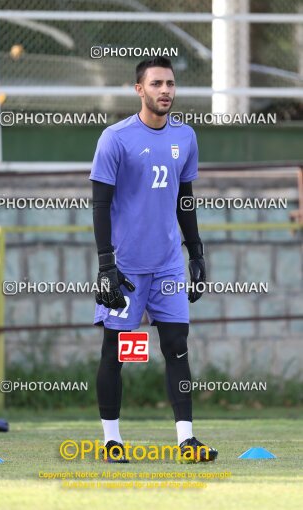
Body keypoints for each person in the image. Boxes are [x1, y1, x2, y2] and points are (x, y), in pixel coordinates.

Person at [90, 56, 218, 463]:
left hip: (167, 264)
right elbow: (99, 203)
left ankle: (186, 440)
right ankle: (112, 440)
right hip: (126, 268)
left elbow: (185, 200)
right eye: (157, 84)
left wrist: (195, 251)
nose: (166, 90)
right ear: (139, 90)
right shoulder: (116, 138)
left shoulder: (186, 136)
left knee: (177, 345)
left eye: (171, 84)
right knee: (119, 351)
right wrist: (106, 264)